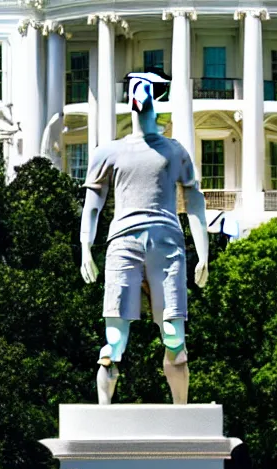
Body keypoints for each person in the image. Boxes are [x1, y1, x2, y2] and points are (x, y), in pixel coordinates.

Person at [80, 72, 209, 404]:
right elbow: (92, 206)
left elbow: (194, 201)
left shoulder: (174, 151)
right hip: (123, 244)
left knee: (174, 338)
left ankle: (182, 414)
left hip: (168, 246)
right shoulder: (107, 152)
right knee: (113, 341)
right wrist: (85, 248)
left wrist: (203, 253)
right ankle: (103, 417)